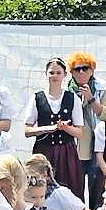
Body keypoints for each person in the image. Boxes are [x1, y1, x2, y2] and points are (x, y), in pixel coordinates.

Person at [26, 57, 85, 199]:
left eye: (58, 73)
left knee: (70, 191)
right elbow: (27, 130)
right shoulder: (37, 98)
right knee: (41, 190)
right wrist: (48, 128)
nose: (55, 76)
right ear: (46, 74)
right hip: (44, 151)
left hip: (67, 152)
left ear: (65, 75)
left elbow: (79, 132)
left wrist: (65, 128)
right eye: (51, 73)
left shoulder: (72, 98)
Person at [68, 51, 106, 210]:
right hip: (75, 148)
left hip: (98, 147)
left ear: (92, 70)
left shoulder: (101, 88)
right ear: (71, 72)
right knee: (75, 192)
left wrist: (91, 98)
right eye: (77, 69)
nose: (81, 72)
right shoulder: (66, 91)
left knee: (97, 192)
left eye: (85, 68)